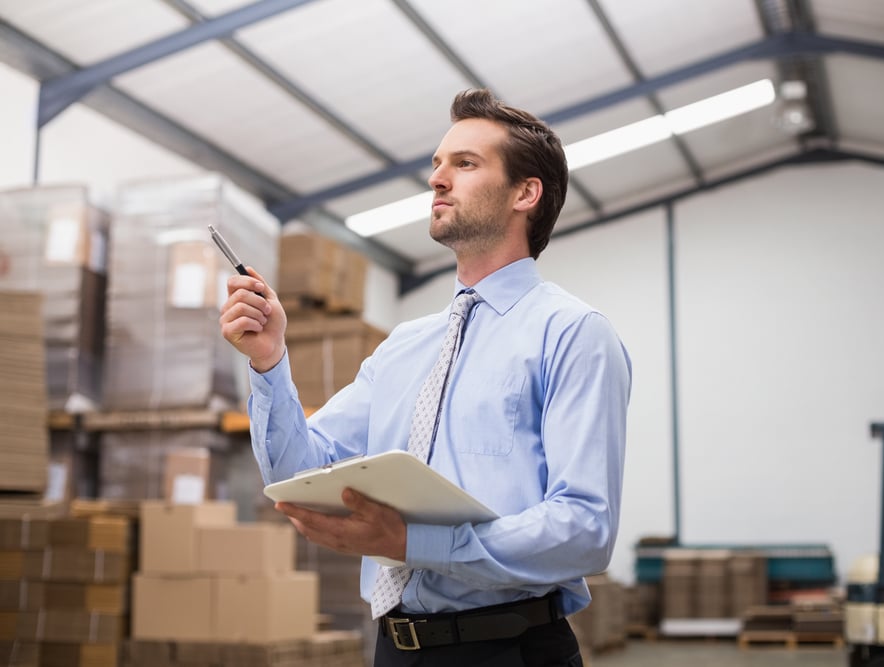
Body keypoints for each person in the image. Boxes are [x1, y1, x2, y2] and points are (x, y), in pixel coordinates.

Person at [219, 88, 632, 666]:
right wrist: (269, 361)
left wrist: (418, 544)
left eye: (465, 164)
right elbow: (301, 472)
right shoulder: (405, 348)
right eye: (437, 166)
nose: (438, 180)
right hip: (396, 650)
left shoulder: (571, 333)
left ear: (525, 193)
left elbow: (585, 528)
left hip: (510, 650)